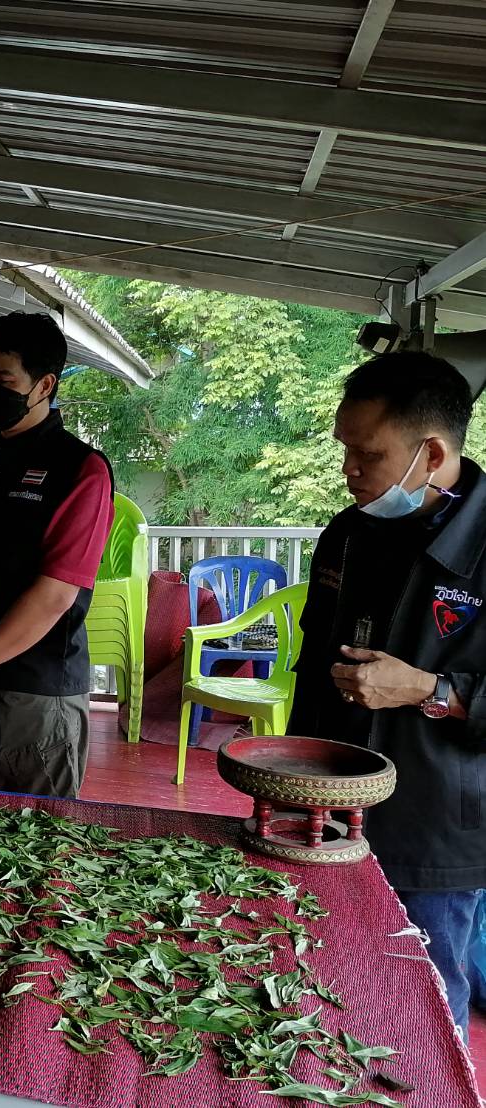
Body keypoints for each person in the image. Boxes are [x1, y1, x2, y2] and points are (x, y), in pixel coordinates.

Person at [288, 351, 486, 1038]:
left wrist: (430, 689)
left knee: (422, 996)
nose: (347, 471)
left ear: (429, 453)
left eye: (365, 455)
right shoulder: (348, 533)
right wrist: (288, 780)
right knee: (324, 976)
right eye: (343, 450)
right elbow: (313, 664)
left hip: (437, 819)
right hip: (330, 803)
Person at [0, 312, 114, 798]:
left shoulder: (81, 470)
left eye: (3, 380)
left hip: (35, 690)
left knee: (32, 839)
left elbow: (54, 595)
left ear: (45, 384)